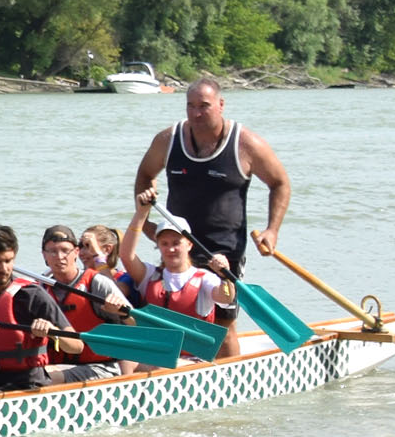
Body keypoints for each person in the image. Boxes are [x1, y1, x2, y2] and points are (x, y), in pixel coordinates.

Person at [132, 75, 292, 317]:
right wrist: (144, 221)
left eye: (204, 106)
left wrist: (272, 230)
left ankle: (227, 355)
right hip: (178, 245)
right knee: (177, 315)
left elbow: (280, 183)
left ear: (221, 105)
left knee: (223, 325)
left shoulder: (247, 144)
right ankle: (185, 355)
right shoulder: (167, 140)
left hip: (223, 251)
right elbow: (145, 175)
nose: (196, 113)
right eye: (191, 106)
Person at [0, 224, 66, 393]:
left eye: (8, 261)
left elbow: (76, 345)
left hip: (27, 387)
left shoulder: (32, 296)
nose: (4, 269)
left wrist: (52, 331)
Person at [122, 188, 238, 325]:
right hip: (157, 345)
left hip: (191, 346)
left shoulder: (204, 278)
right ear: (158, 246)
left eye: (176, 243)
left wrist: (225, 278)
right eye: (164, 243)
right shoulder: (149, 275)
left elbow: (226, 298)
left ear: (189, 245)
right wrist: (141, 213)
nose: (170, 249)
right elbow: (126, 255)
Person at [36, 223, 134, 382]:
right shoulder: (39, 289)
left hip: (101, 367)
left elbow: (136, 324)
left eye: (65, 250)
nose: (59, 257)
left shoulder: (97, 283)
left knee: (42, 376)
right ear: (44, 256)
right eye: (52, 251)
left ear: (75, 252)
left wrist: (122, 312)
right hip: (57, 365)